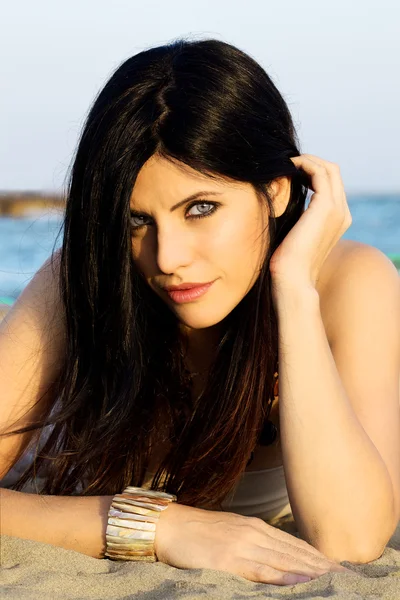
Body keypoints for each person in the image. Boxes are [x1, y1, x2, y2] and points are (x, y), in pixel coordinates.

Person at [0, 38, 399, 587]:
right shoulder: (81, 282)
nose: (166, 258)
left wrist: (294, 288)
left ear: (277, 192)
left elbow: (350, 539)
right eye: (136, 221)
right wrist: (159, 527)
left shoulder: (351, 284)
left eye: (200, 209)